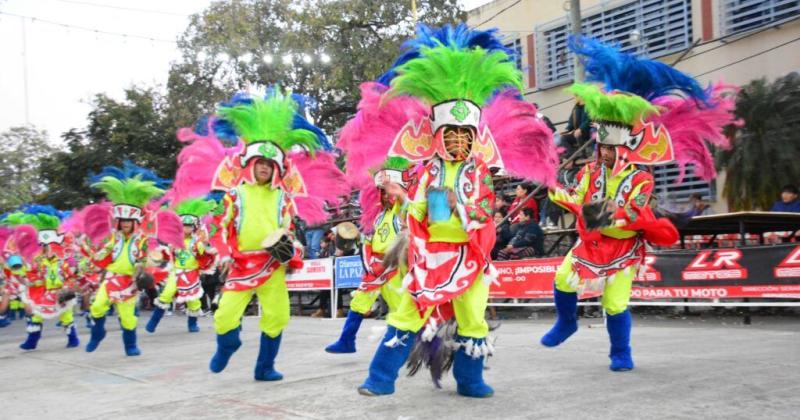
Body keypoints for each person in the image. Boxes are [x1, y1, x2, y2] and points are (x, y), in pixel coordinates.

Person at [353, 24, 557, 398]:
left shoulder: (480, 173)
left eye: (465, 135)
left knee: (473, 318)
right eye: (451, 134)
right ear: (438, 136)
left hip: (468, 256)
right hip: (428, 256)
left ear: (474, 138)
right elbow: (419, 210)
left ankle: (470, 379)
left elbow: (482, 215)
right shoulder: (428, 169)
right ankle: (379, 379)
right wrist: (417, 199)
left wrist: (457, 207)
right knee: (407, 314)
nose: (458, 141)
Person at [540, 35, 737, 371]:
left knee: (615, 304)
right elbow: (577, 198)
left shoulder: (639, 178)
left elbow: (633, 212)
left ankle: (620, 352)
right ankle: (567, 322)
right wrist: (555, 188)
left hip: (622, 249)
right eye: (599, 146)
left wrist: (602, 213)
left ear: (625, 147)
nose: (602, 152)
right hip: (591, 244)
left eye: (608, 147)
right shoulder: (590, 171)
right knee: (561, 279)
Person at [207, 89, 347, 381]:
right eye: (259, 162)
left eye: (269, 164)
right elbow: (220, 226)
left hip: (272, 265)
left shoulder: (283, 198)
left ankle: (265, 367)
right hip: (241, 265)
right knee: (224, 315)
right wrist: (222, 252)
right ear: (250, 163)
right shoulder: (235, 195)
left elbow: (288, 231)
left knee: (277, 317)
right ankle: (228, 344)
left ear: (277, 168)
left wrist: (291, 249)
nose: (263, 167)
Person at [324, 157, 411, 354]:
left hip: (396, 268)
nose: (386, 194)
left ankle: (413, 347)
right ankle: (347, 341)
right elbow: (372, 239)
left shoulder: (404, 211)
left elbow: (409, 207)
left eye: (389, 189)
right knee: (360, 301)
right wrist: (357, 240)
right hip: (376, 267)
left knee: (400, 309)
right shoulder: (380, 216)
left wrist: (402, 195)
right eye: (382, 190)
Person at [83, 172, 167, 356]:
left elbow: (142, 259)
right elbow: (103, 253)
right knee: (97, 306)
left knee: (128, 318)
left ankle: (130, 346)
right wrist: (92, 255)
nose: (126, 224)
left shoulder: (141, 240)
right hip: (112, 277)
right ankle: (97, 334)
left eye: (129, 220)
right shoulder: (114, 237)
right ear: (118, 221)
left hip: (129, 281)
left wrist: (139, 273)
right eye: (123, 220)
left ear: (135, 221)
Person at [146, 198, 217, 334]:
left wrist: (207, 249)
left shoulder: (197, 242)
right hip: (176, 272)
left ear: (194, 227)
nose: (187, 228)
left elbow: (205, 255)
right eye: (184, 225)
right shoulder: (174, 241)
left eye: (190, 226)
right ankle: (153, 322)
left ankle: (192, 324)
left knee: (193, 301)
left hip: (192, 274)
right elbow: (166, 254)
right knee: (166, 294)